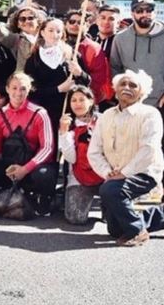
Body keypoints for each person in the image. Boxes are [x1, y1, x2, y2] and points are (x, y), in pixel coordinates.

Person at [88, 70, 164, 245]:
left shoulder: (150, 114)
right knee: (115, 229)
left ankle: (137, 231)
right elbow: (94, 152)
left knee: (109, 191)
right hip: (114, 176)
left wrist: (124, 173)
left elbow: (148, 150)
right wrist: (107, 172)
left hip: (144, 172)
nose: (127, 88)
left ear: (142, 92)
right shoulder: (105, 116)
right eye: (122, 84)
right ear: (115, 89)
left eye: (133, 85)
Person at [109, 0, 164, 203]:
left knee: (163, 146)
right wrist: (123, 94)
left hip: (163, 101)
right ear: (133, 13)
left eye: (149, 9)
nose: (144, 14)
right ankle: (133, 192)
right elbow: (115, 68)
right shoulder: (120, 39)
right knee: (133, 146)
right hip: (133, 104)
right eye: (139, 10)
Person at [0, 73, 57, 214]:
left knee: (44, 175)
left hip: (33, 165)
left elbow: (47, 148)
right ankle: (6, 195)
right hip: (10, 164)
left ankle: (41, 200)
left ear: (29, 90)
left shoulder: (40, 113)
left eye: (23, 89)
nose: (18, 93)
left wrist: (25, 169)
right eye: (14, 88)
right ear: (7, 89)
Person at [23, 18, 90, 135]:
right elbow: (32, 91)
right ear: (42, 32)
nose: (55, 35)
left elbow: (87, 83)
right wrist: (58, 89)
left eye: (59, 31)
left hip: (69, 110)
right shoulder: (33, 59)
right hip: (45, 112)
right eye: (51, 30)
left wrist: (79, 73)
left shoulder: (72, 54)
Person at [58, 85, 104, 225]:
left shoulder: (104, 120)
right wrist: (64, 133)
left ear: (91, 101)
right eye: (74, 100)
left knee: (115, 220)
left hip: (105, 174)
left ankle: (108, 205)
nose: (77, 104)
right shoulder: (67, 124)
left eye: (81, 99)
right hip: (79, 176)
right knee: (75, 218)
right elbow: (71, 158)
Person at [63, 9, 113, 106]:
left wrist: (81, 74)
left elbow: (99, 80)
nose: (75, 25)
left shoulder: (94, 48)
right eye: (72, 22)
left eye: (80, 22)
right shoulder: (57, 44)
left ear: (87, 26)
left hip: (83, 101)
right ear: (66, 24)